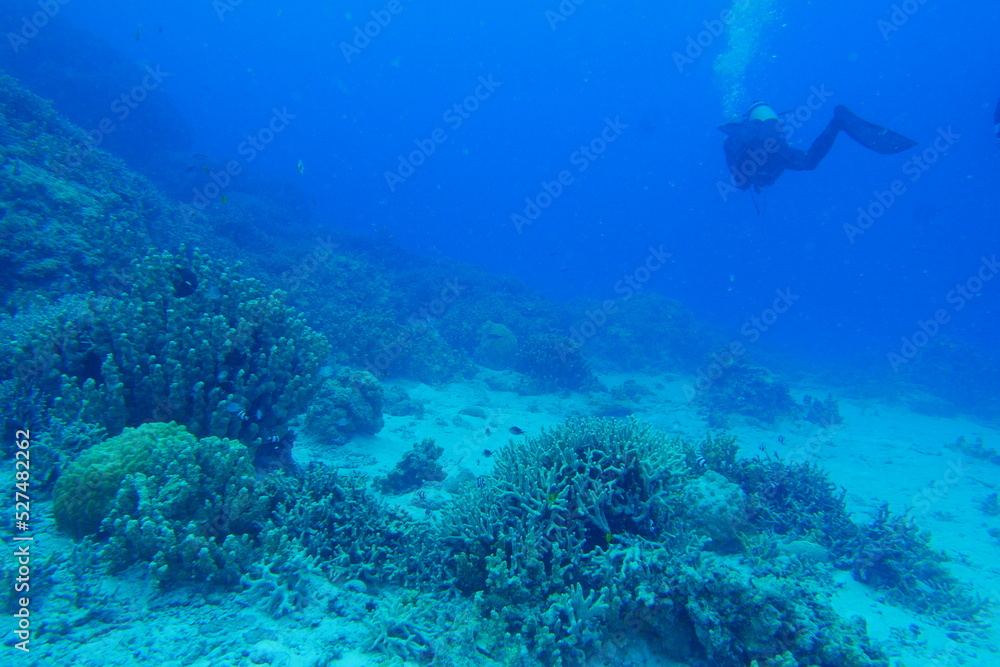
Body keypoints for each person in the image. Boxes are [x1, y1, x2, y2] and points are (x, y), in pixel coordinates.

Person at [719, 102, 917, 194]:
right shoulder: (754, 157)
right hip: (771, 146)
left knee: (807, 163)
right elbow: (782, 148)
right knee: (808, 162)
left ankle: (837, 123)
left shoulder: (737, 155)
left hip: (761, 147)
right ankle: (838, 123)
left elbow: (737, 173)